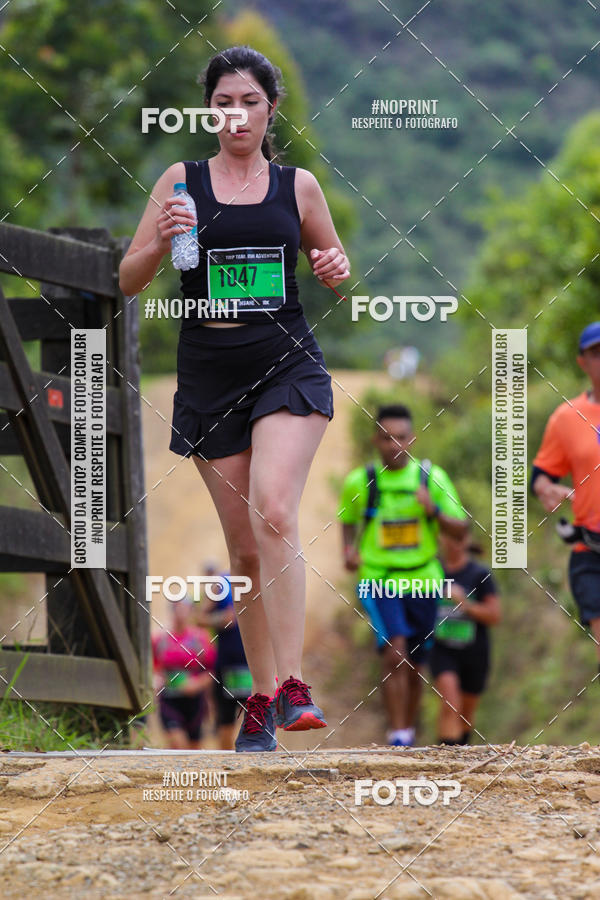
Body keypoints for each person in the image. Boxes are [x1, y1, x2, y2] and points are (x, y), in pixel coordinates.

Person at [119, 46, 350, 752]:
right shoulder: (180, 182)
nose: (236, 114)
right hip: (210, 372)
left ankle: (292, 686)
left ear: (268, 109)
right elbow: (127, 280)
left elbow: (334, 268)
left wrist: (333, 265)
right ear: (208, 109)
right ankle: (258, 697)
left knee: (274, 510)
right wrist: (158, 243)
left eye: (249, 101)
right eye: (223, 102)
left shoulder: (299, 187)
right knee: (245, 550)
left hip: (286, 362)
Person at [338, 404, 468, 746]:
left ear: (412, 440)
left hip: (424, 578)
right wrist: (348, 552)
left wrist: (433, 510)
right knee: (394, 651)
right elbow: (348, 521)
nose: (393, 445)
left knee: (415, 661)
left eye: (400, 438)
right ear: (374, 440)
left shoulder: (431, 478)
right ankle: (397, 734)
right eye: (386, 438)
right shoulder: (360, 481)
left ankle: (408, 732)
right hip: (379, 578)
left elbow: (461, 531)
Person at [531, 322, 600, 674]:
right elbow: (540, 476)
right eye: (596, 353)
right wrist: (546, 489)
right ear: (582, 362)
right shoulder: (566, 418)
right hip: (591, 551)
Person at [429, 531, 501, 745]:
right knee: (450, 702)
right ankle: (445, 761)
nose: (455, 543)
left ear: (467, 540)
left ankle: (460, 753)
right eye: (451, 536)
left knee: (465, 713)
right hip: (441, 649)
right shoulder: (431, 571)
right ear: (442, 538)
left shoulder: (479, 574)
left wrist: (465, 603)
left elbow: (494, 615)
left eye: (460, 538)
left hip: (474, 650)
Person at [193, 561, 252, 750]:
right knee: (226, 720)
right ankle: (228, 766)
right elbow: (199, 618)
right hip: (228, 664)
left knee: (259, 717)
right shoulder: (222, 583)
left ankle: (261, 761)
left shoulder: (260, 579)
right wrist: (221, 619)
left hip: (254, 665)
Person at [152, 596, 217, 750]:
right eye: (177, 608)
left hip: (195, 701)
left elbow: (212, 671)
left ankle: (189, 775)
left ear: (190, 612)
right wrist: (156, 680)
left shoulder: (200, 638)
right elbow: (154, 668)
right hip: (169, 699)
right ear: (171, 611)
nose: (180, 613)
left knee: (194, 750)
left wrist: (197, 684)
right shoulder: (160, 639)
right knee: (177, 744)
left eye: (184, 609)